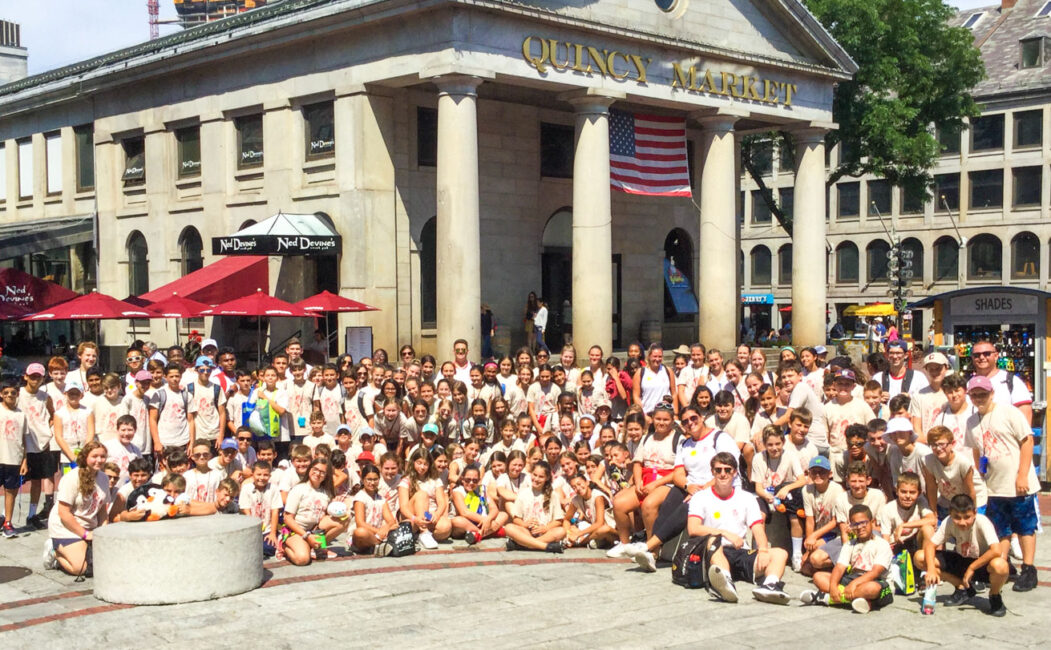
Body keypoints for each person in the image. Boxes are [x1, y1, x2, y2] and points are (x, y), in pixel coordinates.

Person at [964, 374, 1039, 592]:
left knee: (1025, 527)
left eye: (983, 394)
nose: (979, 398)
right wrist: (980, 472)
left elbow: (1027, 440)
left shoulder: (1009, 412)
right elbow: (976, 449)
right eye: (975, 395)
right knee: (1001, 529)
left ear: (992, 393)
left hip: (1017, 483)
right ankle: (1002, 566)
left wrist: (1023, 474)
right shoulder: (972, 421)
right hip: (994, 486)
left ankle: (1029, 567)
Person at [686, 452, 791, 605]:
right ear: (712, 472)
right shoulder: (700, 497)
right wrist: (726, 534)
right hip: (713, 551)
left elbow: (757, 528)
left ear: (735, 472)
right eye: (718, 470)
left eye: (727, 470)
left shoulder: (747, 498)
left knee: (780, 553)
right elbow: (693, 529)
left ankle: (770, 585)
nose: (723, 474)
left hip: (740, 551)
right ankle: (725, 582)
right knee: (713, 540)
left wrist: (762, 550)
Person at [917, 494, 1009, 617]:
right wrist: (931, 570)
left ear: (975, 513)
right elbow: (930, 546)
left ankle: (994, 595)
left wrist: (972, 568)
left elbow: (996, 550)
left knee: (1000, 565)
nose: (962, 522)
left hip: (982, 563)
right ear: (950, 514)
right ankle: (961, 588)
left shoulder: (982, 521)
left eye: (967, 517)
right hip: (961, 559)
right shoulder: (948, 522)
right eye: (957, 517)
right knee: (920, 557)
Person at [801, 504, 895, 613]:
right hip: (853, 577)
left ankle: (825, 599)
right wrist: (833, 587)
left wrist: (853, 585)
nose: (860, 527)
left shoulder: (882, 544)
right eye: (855, 524)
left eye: (863, 523)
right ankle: (859, 601)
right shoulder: (850, 544)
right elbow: (840, 567)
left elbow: (875, 572)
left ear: (871, 522)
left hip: (876, 580)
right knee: (818, 576)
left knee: (872, 588)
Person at [45, 441, 111, 577]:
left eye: (102, 456)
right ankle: (54, 552)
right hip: (66, 527)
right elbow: (63, 513)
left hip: (89, 525)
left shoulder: (104, 478)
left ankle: (82, 548)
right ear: (85, 457)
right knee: (79, 568)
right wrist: (85, 535)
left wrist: (104, 533)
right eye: (95, 456)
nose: (99, 460)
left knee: (105, 563)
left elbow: (102, 510)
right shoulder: (72, 478)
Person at [282, 458, 349, 565]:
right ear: (309, 469)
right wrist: (306, 536)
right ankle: (285, 547)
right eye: (315, 469)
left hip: (315, 530)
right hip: (296, 531)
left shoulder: (327, 492)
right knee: (303, 559)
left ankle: (316, 547)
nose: (318, 474)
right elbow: (288, 518)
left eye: (322, 472)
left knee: (344, 519)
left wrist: (336, 506)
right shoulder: (298, 489)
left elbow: (327, 515)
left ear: (326, 475)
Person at [504, 460, 566, 553]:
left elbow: (558, 520)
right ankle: (545, 546)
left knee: (561, 531)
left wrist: (545, 528)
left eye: (541, 477)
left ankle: (523, 545)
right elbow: (516, 519)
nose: (536, 479)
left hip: (545, 533)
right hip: (527, 532)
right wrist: (525, 524)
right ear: (530, 474)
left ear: (547, 478)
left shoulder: (553, 495)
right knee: (509, 527)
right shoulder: (523, 493)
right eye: (534, 475)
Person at [0, 380, 28, 537]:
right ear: (1, 394)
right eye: (6, 392)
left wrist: (25, 461)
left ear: (18, 394)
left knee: (11, 492)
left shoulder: (21, 415)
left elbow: (24, 439)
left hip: (14, 459)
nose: (10, 395)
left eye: (13, 393)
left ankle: (8, 523)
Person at [350, 463, 398, 554]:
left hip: (379, 535)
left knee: (396, 525)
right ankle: (379, 546)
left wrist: (386, 529)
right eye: (369, 479)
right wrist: (379, 531)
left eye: (375, 479)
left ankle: (377, 546)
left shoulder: (381, 499)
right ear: (362, 479)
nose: (372, 483)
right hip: (364, 536)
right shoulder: (360, 497)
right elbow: (360, 523)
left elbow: (391, 521)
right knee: (360, 532)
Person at [633, 343, 677, 415]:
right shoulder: (640, 373)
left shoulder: (668, 371)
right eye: (655, 356)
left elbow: (674, 393)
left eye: (660, 356)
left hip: (666, 413)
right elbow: (636, 396)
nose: (657, 359)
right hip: (648, 413)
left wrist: (675, 413)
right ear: (649, 356)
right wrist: (642, 414)